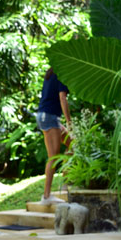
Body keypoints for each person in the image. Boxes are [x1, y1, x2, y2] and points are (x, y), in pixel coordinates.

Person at [36, 67, 72, 205]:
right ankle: (46, 196)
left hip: (49, 117)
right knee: (53, 157)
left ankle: (66, 182)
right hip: (49, 117)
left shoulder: (52, 73)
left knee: (72, 144)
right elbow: (62, 98)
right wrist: (69, 122)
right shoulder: (61, 74)